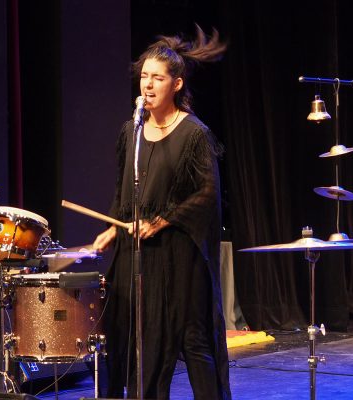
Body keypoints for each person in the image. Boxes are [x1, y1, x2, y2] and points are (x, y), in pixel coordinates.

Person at [93, 25, 231, 400]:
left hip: (178, 258)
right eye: (143, 77)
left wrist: (161, 220)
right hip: (137, 255)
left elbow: (207, 195)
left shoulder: (194, 134)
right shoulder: (131, 131)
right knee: (133, 339)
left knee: (194, 341)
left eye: (157, 78)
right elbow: (125, 193)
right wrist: (112, 227)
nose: (148, 85)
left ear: (177, 84)